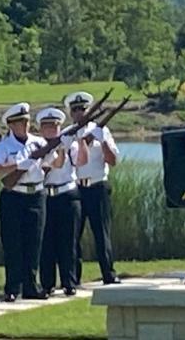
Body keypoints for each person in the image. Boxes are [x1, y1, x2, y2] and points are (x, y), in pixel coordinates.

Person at [0, 103, 56, 302]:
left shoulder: (38, 143)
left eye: (26, 121)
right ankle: (12, 287)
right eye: (19, 122)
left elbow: (51, 164)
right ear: (10, 124)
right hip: (14, 196)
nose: (24, 125)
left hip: (36, 194)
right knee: (13, 243)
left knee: (34, 242)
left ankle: (31, 286)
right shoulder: (4, 147)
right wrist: (18, 165)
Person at [64, 91, 121, 285]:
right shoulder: (68, 134)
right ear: (71, 113)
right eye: (76, 109)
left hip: (97, 187)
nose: (80, 112)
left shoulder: (101, 130)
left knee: (101, 234)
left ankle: (109, 274)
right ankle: (74, 279)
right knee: (73, 237)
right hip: (76, 189)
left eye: (83, 108)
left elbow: (113, 161)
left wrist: (101, 140)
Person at [36, 107, 88, 296]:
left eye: (55, 126)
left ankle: (69, 282)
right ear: (41, 128)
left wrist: (80, 138)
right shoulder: (38, 147)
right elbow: (51, 165)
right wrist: (59, 150)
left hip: (67, 194)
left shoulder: (70, 143)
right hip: (46, 196)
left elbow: (82, 161)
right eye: (47, 126)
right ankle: (47, 284)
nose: (51, 129)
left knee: (69, 241)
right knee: (46, 243)